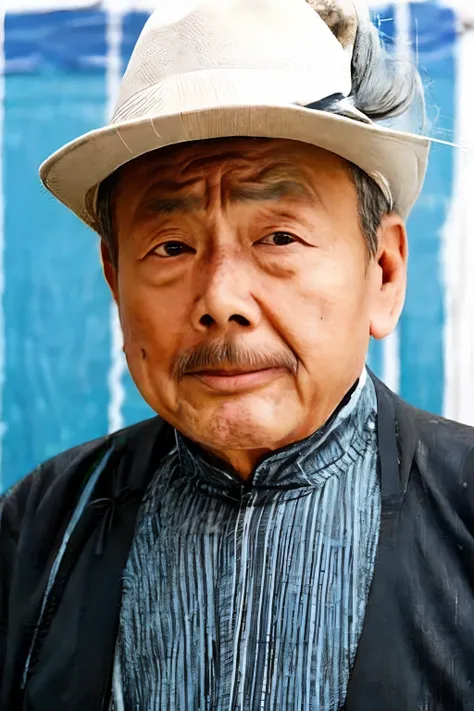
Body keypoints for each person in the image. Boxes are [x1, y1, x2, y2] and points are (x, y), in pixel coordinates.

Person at [1, 0, 473, 709]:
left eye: (279, 237)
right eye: (170, 246)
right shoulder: (42, 527)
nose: (221, 297)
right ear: (115, 277)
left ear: (384, 270)